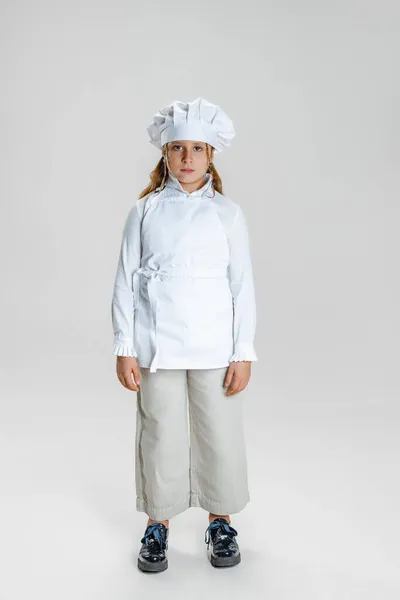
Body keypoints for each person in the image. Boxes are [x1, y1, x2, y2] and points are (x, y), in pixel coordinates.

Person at [111, 97, 258, 573]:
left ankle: (220, 521)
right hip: (158, 346)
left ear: (212, 155)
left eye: (198, 148)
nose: (188, 158)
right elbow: (126, 282)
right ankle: (158, 524)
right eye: (179, 149)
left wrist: (243, 351)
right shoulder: (146, 212)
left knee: (220, 435)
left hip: (215, 346)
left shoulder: (228, 215)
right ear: (166, 155)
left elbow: (242, 287)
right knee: (160, 436)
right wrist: (125, 346)